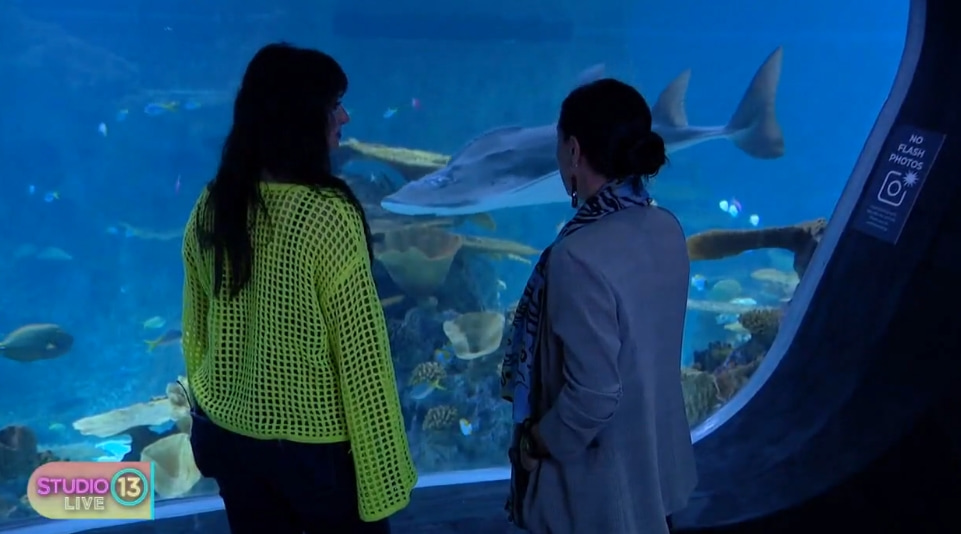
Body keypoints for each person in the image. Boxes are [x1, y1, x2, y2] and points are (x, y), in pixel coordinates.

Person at [179, 43, 416, 534]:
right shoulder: (326, 214)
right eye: (333, 106)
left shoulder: (212, 203)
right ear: (299, 117)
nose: (345, 117)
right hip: (313, 453)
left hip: (230, 437)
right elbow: (362, 358)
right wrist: (381, 473)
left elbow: (195, 328)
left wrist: (207, 411)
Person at [501, 78, 697, 534]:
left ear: (573, 151)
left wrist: (534, 442)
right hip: (657, 475)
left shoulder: (576, 257)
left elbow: (592, 397)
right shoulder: (667, 227)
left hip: (601, 495)